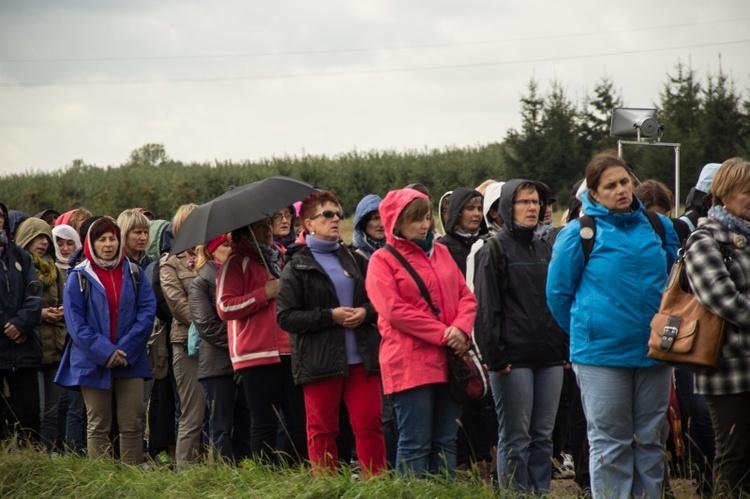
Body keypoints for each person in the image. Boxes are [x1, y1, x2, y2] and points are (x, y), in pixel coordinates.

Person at [546, 151, 679, 498]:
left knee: (651, 440)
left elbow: (673, 285)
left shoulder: (659, 226)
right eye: (610, 185)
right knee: (610, 443)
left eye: (624, 182)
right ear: (593, 193)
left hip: (654, 353)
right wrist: (589, 331)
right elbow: (558, 295)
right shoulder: (579, 233)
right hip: (601, 356)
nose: (621, 190)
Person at [365, 188, 477, 478]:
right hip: (410, 364)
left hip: (450, 360)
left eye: (427, 217)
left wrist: (462, 328)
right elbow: (394, 310)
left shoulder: (441, 252)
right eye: (417, 219)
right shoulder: (382, 260)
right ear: (397, 222)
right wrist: (445, 333)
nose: (425, 224)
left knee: (446, 443)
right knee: (415, 444)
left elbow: (466, 296)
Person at [277, 191, 385, 476]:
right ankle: (327, 487)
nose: (336, 218)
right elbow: (285, 317)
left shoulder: (354, 257)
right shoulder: (296, 265)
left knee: (370, 425)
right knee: (323, 430)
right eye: (327, 214)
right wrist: (329, 316)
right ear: (308, 224)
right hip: (319, 362)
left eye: (338, 213)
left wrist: (365, 312)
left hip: (361, 359)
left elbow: (380, 300)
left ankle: (378, 487)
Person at [473, 179, 567, 494]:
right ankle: (516, 494)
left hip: (550, 357)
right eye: (524, 201)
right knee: (516, 437)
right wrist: (496, 357)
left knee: (543, 435)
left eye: (536, 202)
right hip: (513, 361)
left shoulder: (547, 248)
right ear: (506, 208)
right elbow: (487, 310)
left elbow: (559, 300)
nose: (532, 207)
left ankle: (538, 492)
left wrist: (563, 348)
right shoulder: (494, 249)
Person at [55, 217, 156, 464]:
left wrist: (124, 350)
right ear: (91, 243)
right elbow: (76, 325)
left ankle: (132, 478)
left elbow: (147, 312)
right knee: (99, 423)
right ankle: (102, 479)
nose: (108, 244)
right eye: (102, 239)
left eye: (112, 238)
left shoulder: (134, 272)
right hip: (92, 361)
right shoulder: (78, 276)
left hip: (129, 360)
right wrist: (106, 352)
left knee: (132, 422)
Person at [683, 157, 750, 496]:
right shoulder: (705, 239)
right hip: (728, 367)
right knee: (735, 454)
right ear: (724, 194)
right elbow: (722, 299)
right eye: (748, 192)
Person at [216, 219, 306, 465]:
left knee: (299, 418)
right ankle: (266, 476)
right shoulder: (236, 263)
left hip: (288, 349)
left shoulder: (278, 259)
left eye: (269, 225)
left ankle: (297, 471)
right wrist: (263, 294)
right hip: (256, 354)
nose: (268, 231)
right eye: (260, 227)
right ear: (245, 233)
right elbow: (225, 307)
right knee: (264, 421)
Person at [189, 234, 252, 463]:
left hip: (246, 359)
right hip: (218, 365)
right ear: (211, 250)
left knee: (246, 422)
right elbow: (206, 326)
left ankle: (246, 473)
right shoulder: (201, 282)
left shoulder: (243, 275)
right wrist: (240, 341)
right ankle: (223, 476)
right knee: (221, 426)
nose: (231, 248)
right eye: (225, 245)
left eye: (233, 244)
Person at [15, 217, 67, 452]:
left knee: (52, 412)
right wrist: (40, 314)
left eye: (47, 238)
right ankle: (30, 457)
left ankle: (47, 456)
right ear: (26, 239)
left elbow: (66, 301)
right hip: (30, 348)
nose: (43, 243)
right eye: (38, 237)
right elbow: (15, 309)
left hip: (55, 347)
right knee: (36, 409)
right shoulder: (19, 269)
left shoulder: (56, 271)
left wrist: (62, 312)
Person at [160, 203, 203, 468]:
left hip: (218, 342)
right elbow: (178, 306)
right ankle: (186, 471)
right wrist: (210, 323)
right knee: (193, 411)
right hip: (186, 343)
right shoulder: (170, 263)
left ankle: (213, 468)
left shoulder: (213, 256)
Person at [0, 202, 43, 444]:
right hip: (4, 342)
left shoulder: (20, 255)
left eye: (1, 216)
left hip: (23, 349)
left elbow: (35, 292)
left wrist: (22, 324)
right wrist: (8, 325)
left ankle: (30, 467)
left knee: (29, 418)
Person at [437, 187, 484, 276]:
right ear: (458, 213)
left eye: (480, 209)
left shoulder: (486, 243)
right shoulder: (443, 247)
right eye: (470, 208)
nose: (477, 213)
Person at [351, 194, 385, 259]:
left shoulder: (395, 252)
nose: (382, 224)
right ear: (363, 222)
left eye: (383, 218)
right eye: (375, 218)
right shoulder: (355, 257)